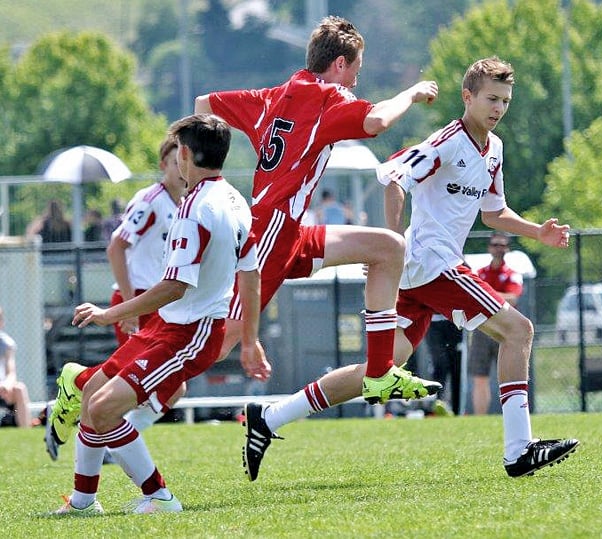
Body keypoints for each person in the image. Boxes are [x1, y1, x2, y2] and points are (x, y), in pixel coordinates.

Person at [242, 56, 579, 480]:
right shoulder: (448, 141)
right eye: (492, 98)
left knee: (378, 370)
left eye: (506, 101)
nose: (499, 108)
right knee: (519, 330)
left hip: (421, 274)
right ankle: (518, 450)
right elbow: (394, 177)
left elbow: (493, 213)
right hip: (433, 266)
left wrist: (537, 232)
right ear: (467, 97)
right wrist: (391, 245)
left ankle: (269, 416)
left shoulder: (493, 150)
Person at [194, 16, 441, 426]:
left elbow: (203, 104)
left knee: (389, 248)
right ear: (340, 65)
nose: (356, 83)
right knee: (216, 345)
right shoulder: (326, 96)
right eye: (356, 72)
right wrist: (412, 93)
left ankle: (379, 373)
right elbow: (377, 121)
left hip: (288, 231)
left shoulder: (274, 95)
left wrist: (202, 170)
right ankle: (108, 377)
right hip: (270, 234)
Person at [50, 113, 261, 516]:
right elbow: (250, 276)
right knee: (94, 397)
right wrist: (249, 339)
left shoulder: (194, 208)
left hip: (190, 331)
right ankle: (82, 502)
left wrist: (111, 313)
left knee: (102, 408)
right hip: (172, 324)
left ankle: (160, 497)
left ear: (183, 154)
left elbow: (173, 287)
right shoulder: (236, 200)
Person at [45, 136, 187, 461]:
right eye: (176, 160)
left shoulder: (185, 205)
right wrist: (126, 304)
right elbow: (116, 246)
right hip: (137, 299)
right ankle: (99, 426)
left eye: (187, 159)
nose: (183, 167)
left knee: (173, 386)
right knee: (134, 379)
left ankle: (82, 391)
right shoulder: (150, 200)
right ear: (164, 164)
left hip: (161, 303)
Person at [469, 232, 524, 415]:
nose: (498, 248)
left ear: (507, 248)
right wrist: (497, 296)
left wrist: (486, 294)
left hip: (505, 332)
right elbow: (471, 296)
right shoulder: (480, 273)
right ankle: (480, 418)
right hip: (483, 329)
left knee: (509, 377)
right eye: (495, 244)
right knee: (480, 377)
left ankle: (512, 415)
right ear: (489, 248)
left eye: (502, 245)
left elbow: (513, 298)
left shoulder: (512, 274)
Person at [0, 307, 33, 428]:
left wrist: (7, 384)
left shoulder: (5, 343)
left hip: (2, 389)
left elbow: (11, 372)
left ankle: (25, 430)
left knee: (20, 388)